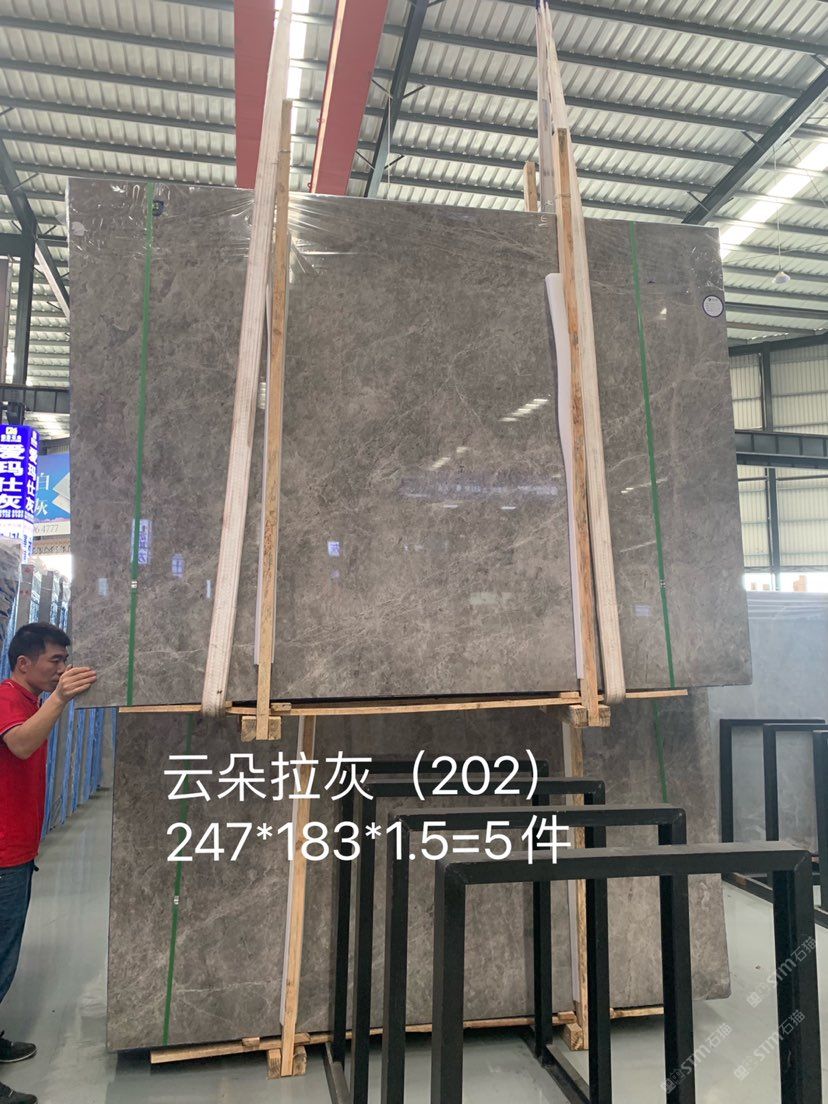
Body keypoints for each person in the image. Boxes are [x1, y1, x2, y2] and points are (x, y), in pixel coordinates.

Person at [0, 623, 96, 1104]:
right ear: (24, 663)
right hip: (2, 857)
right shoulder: (7, 698)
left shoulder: (31, 700)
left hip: (17, 853)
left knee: (5, 956)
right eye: (55, 660)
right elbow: (20, 744)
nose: (62, 669)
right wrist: (60, 698)